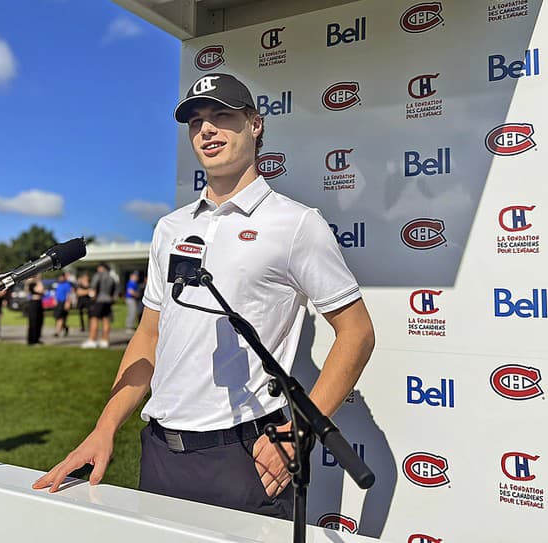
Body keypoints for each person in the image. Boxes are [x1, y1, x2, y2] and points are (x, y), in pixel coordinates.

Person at [35, 73, 375, 520]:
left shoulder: (296, 223)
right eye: (196, 121)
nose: (206, 130)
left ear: (255, 124)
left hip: (245, 455)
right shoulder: (170, 228)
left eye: (221, 116)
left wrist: (300, 431)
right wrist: (104, 426)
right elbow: (149, 335)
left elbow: (357, 332)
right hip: (159, 451)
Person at [81, 263, 117, 349]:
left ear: (102, 268)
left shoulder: (98, 275)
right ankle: (105, 340)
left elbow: (93, 287)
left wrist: (92, 298)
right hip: (108, 300)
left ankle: (92, 340)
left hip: (99, 300)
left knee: (94, 319)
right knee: (106, 320)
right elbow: (115, 290)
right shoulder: (112, 278)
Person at [26, 273, 45, 345]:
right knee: (33, 322)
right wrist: (38, 281)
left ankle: (37, 339)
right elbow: (41, 290)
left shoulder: (38, 283)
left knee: (40, 321)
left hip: (39, 303)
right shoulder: (32, 284)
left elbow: (42, 292)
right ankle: (31, 340)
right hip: (33, 303)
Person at [53, 272, 73, 338]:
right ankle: (65, 327)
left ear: (64, 277)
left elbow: (69, 294)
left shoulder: (67, 284)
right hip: (58, 303)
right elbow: (56, 293)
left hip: (64, 302)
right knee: (58, 318)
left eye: (61, 277)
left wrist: (68, 303)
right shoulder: (59, 284)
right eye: (59, 277)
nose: (60, 278)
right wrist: (55, 299)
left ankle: (57, 332)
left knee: (60, 317)